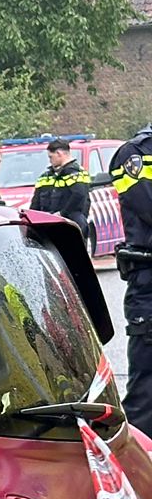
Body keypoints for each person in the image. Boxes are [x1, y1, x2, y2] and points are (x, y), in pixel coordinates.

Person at [114, 127, 152, 431]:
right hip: (149, 280)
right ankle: (138, 468)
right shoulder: (135, 153)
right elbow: (147, 205)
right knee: (147, 385)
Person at [31, 138, 94, 246]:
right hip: (47, 224)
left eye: (51, 157)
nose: (50, 160)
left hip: (70, 224)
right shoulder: (46, 176)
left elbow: (79, 196)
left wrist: (62, 214)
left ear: (59, 153)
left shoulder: (77, 173)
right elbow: (36, 202)